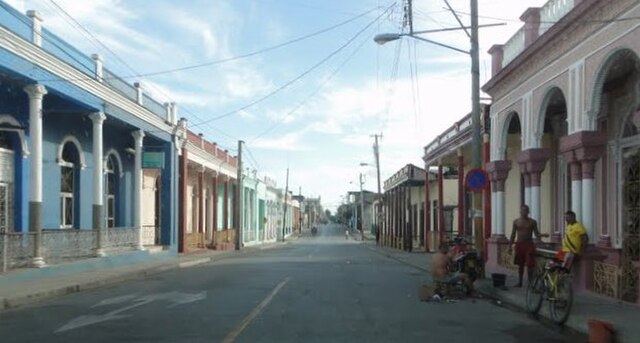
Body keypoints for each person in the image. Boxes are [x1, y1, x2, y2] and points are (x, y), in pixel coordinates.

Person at [509, 205, 548, 287]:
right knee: (520, 265)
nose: (524, 212)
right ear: (520, 211)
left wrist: (543, 235)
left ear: (528, 212)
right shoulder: (516, 221)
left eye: (526, 211)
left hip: (529, 245)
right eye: (523, 210)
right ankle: (520, 282)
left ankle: (530, 284)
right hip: (519, 244)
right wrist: (510, 246)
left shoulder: (532, 222)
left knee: (530, 265)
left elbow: (537, 234)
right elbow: (513, 234)